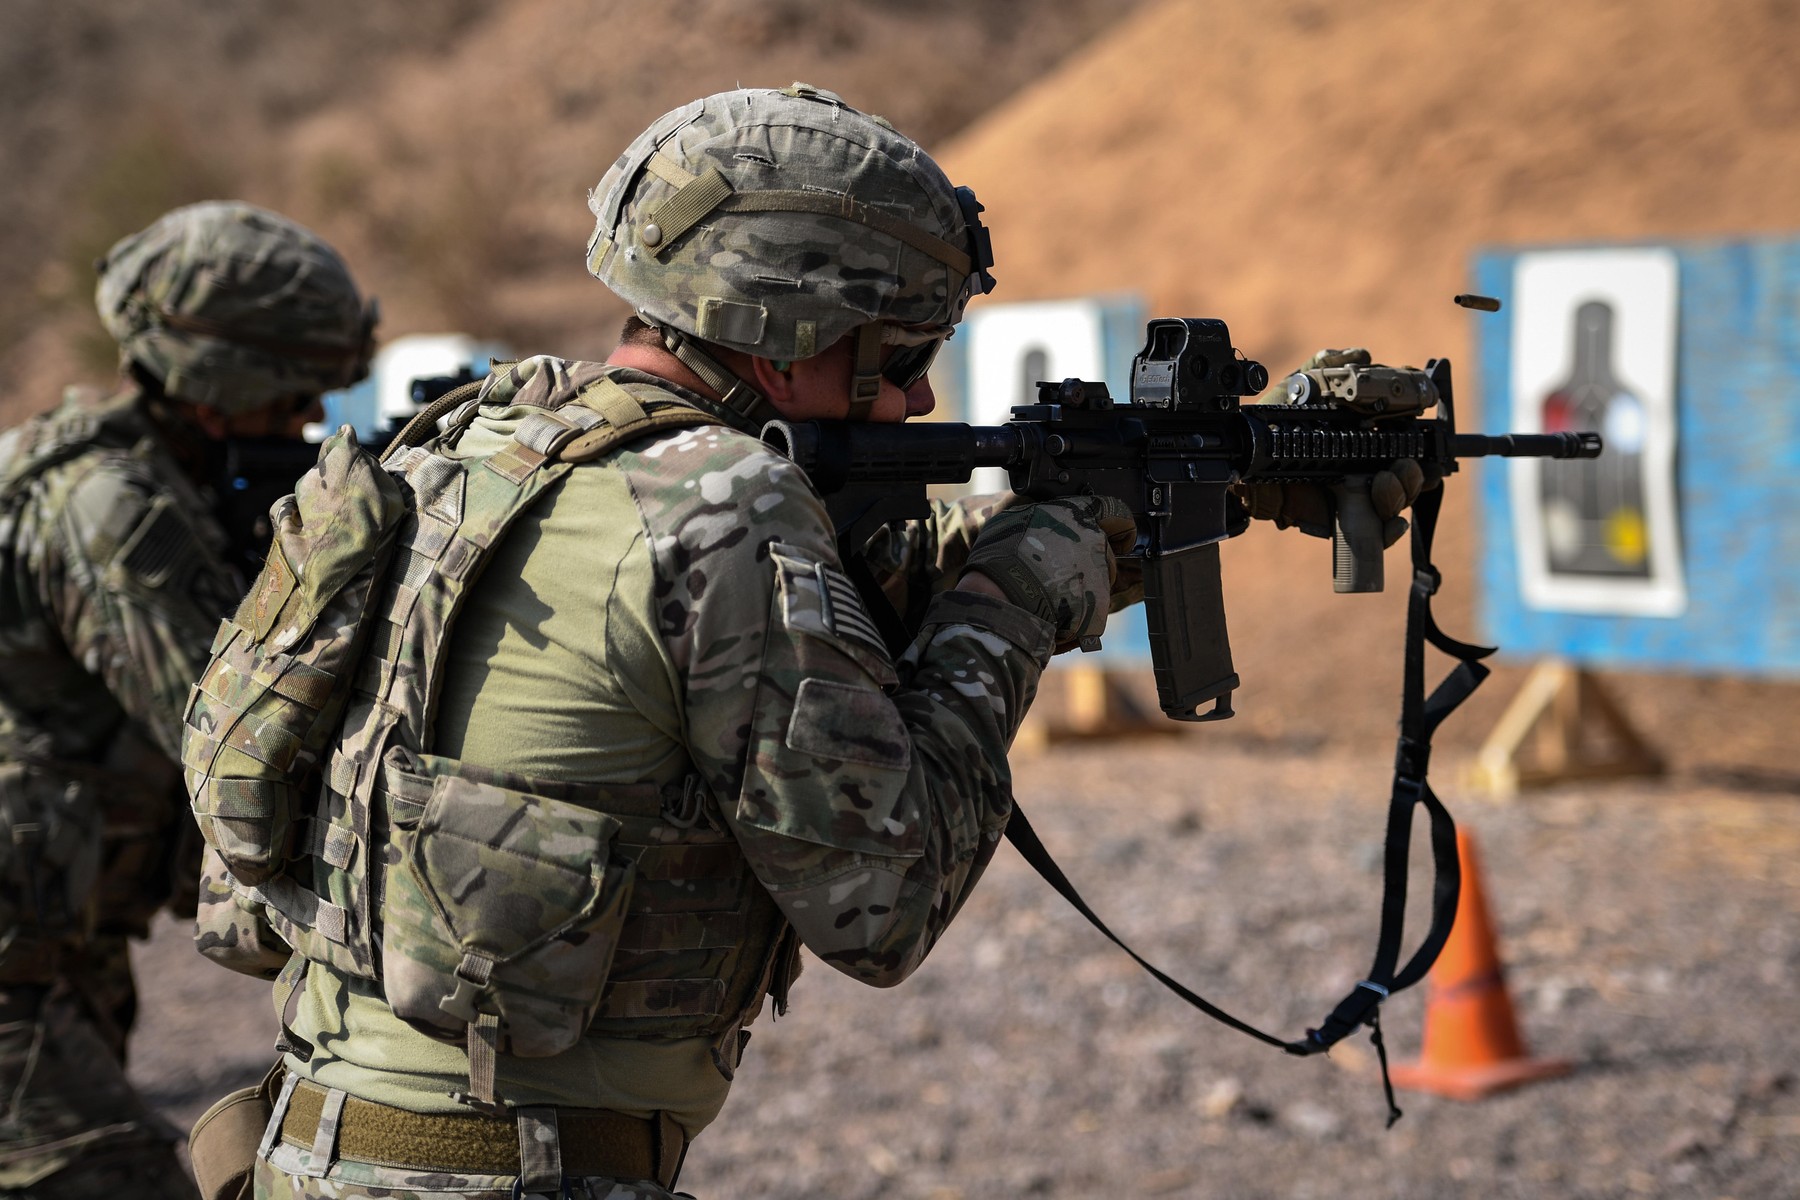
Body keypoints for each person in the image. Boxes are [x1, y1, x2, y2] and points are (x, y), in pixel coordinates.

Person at [197, 85, 1419, 1200]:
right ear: (785, 335)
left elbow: (811, 610)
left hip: (319, 1151)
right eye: (905, 357)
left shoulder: (475, 448)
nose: (922, 400)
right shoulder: (723, 508)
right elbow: (885, 901)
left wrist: (1180, 507)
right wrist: (1017, 600)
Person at [0, 200, 374, 1198]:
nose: (308, 419)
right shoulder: (113, 510)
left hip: (52, 947)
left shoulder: (121, 468)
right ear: (220, 390)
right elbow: (232, 740)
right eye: (292, 395)